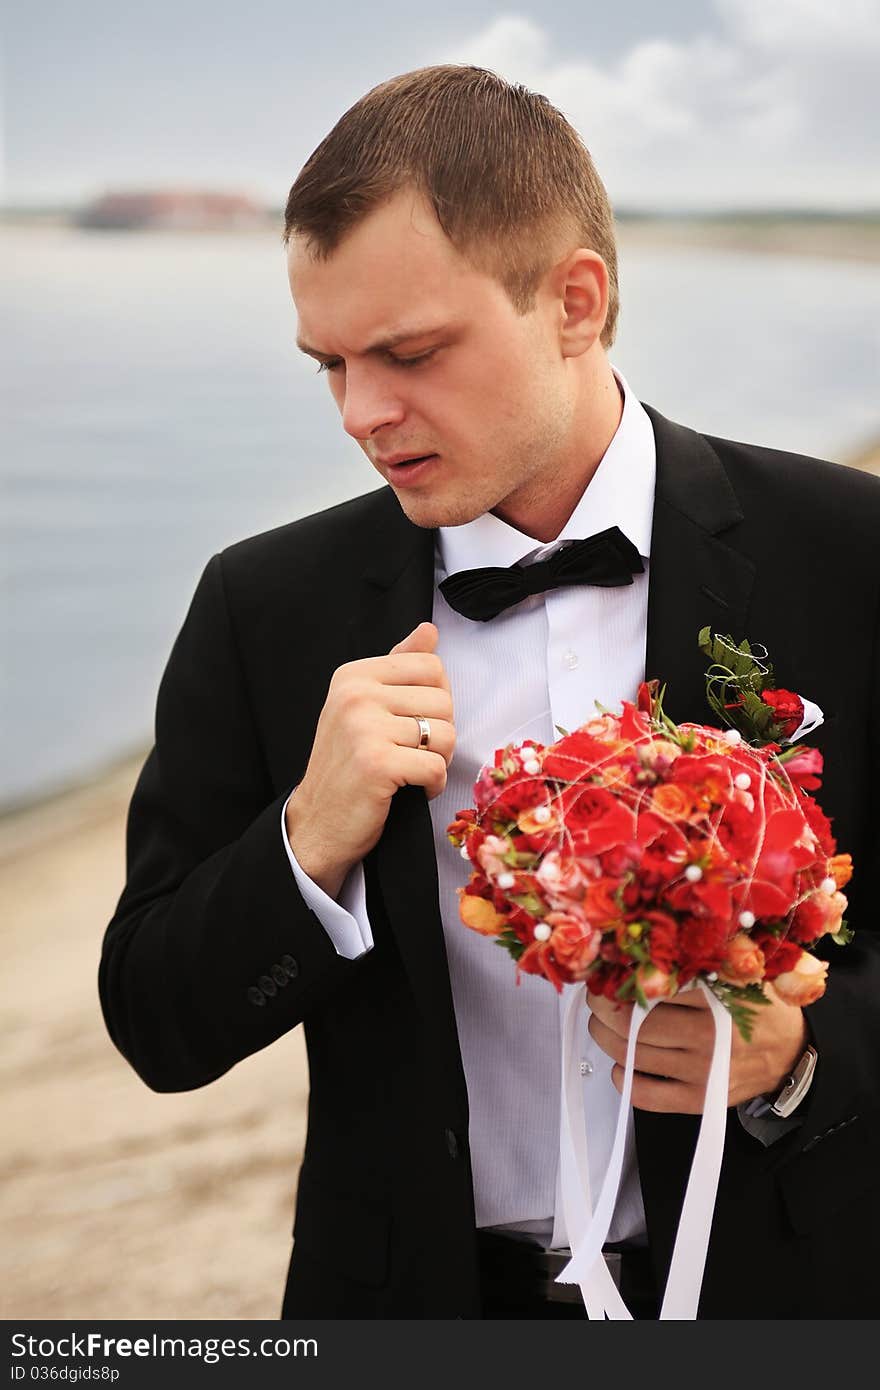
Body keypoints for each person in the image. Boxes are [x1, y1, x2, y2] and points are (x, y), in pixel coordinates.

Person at [99, 65, 880, 1319]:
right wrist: (305, 843)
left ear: (575, 301)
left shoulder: (850, 554)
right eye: (329, 365)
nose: (362, 412)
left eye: (408, 354)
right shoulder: (266, 606)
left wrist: (801, 1053)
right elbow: (157, 1023)